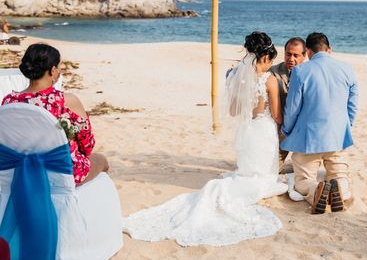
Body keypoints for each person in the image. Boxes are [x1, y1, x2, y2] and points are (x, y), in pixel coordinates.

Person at [123, 32, 288, 246]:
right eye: (271, 61)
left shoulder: (237, 74)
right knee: (263, 178)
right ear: (265, 57)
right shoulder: (270, 80)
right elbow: (276, 115)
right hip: (263, 131)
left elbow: (232, 111)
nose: (270, 65)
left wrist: (250, 109)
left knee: (247, 172)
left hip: (247, 132)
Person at [1, 43, 107, 186]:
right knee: (102, 161)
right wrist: (68, 132)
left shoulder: (9, 102)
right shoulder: (66, 101)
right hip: (61, 172)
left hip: (19, 170)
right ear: (53, 70)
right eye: (59, 67)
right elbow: (87, 146)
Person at [281, 32, 358, 214]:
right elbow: (352, 106)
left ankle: (316, 190)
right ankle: (339, 189)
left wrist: (287, 129)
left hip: (308, 139)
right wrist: (345, 128)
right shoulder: (348, 68)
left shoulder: (301, 71)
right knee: (340, 174)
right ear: (329, 50)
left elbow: (293, 108)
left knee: (302, 180)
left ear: (307, 51)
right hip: (337, 137)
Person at [269, 37, 307, 171]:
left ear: (304, 55)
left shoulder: (310, 73)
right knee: (272, 169)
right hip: (281, 125)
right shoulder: (273, 72)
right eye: (288, 54)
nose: (291, 59)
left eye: (296, 55)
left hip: (303, 126)